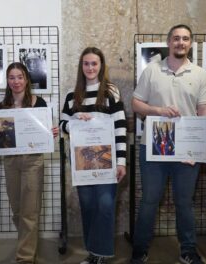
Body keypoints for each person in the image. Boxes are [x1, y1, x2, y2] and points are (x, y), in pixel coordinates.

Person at [130, 24, 206, 264]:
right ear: (168, 42)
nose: (180, 43)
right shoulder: (151, 71)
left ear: (190, 44)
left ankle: (188, 250)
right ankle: (139, 249)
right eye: (176, 38)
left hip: (186, 147)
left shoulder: (200, 74)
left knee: (184, 203)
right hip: (154, 146)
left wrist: (198, 147)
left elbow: (204, 110)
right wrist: (157, 110)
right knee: (149, 200)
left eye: (185, 39)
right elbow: (136, 104)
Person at [59, 47, 127, 264]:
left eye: (94, 63)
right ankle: (93, 252)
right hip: (82, 162)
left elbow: (120, 127)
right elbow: (62, 124)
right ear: (81, 66)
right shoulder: (72, 95)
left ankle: (102, 254)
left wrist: (122, 161)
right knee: (88, 206)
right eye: (86, 63)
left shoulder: (111, 92)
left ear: (101, 66)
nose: (90, 67)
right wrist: (75, 122)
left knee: (106, 205)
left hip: (107, 160)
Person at [0, 62, 59, 264]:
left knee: (29, 211)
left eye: (20, 77)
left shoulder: (39, 104)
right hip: (11, 162)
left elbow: (46, 133)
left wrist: (51, 133)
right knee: (18, 211)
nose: (16, 81)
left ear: (26, 79)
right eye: (11, 77)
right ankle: (28, 244)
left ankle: (25, 258)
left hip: (33, 162)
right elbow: (1, 140)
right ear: (7, 81)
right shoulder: (2, 107)